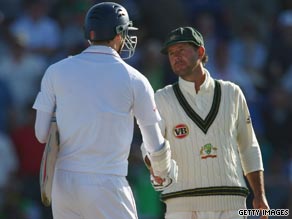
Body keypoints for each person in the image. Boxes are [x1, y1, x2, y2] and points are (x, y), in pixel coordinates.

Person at [32, 2, 177, 219]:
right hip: (108, 182)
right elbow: (154, 144)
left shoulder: (56, 71)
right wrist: (165, 172)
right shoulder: (135, 79)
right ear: (118, 34)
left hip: (63, 184)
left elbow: (42, 135)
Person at [141, 26, 270, 219]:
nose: (175, 57)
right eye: (171, 53)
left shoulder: (232, 93)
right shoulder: (162, 98)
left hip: (231, 203)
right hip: (182, 206)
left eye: (181, 50)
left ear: (200, 51)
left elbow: (249, 147)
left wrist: (260, 195)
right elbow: (150, 144)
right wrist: (154, 166)